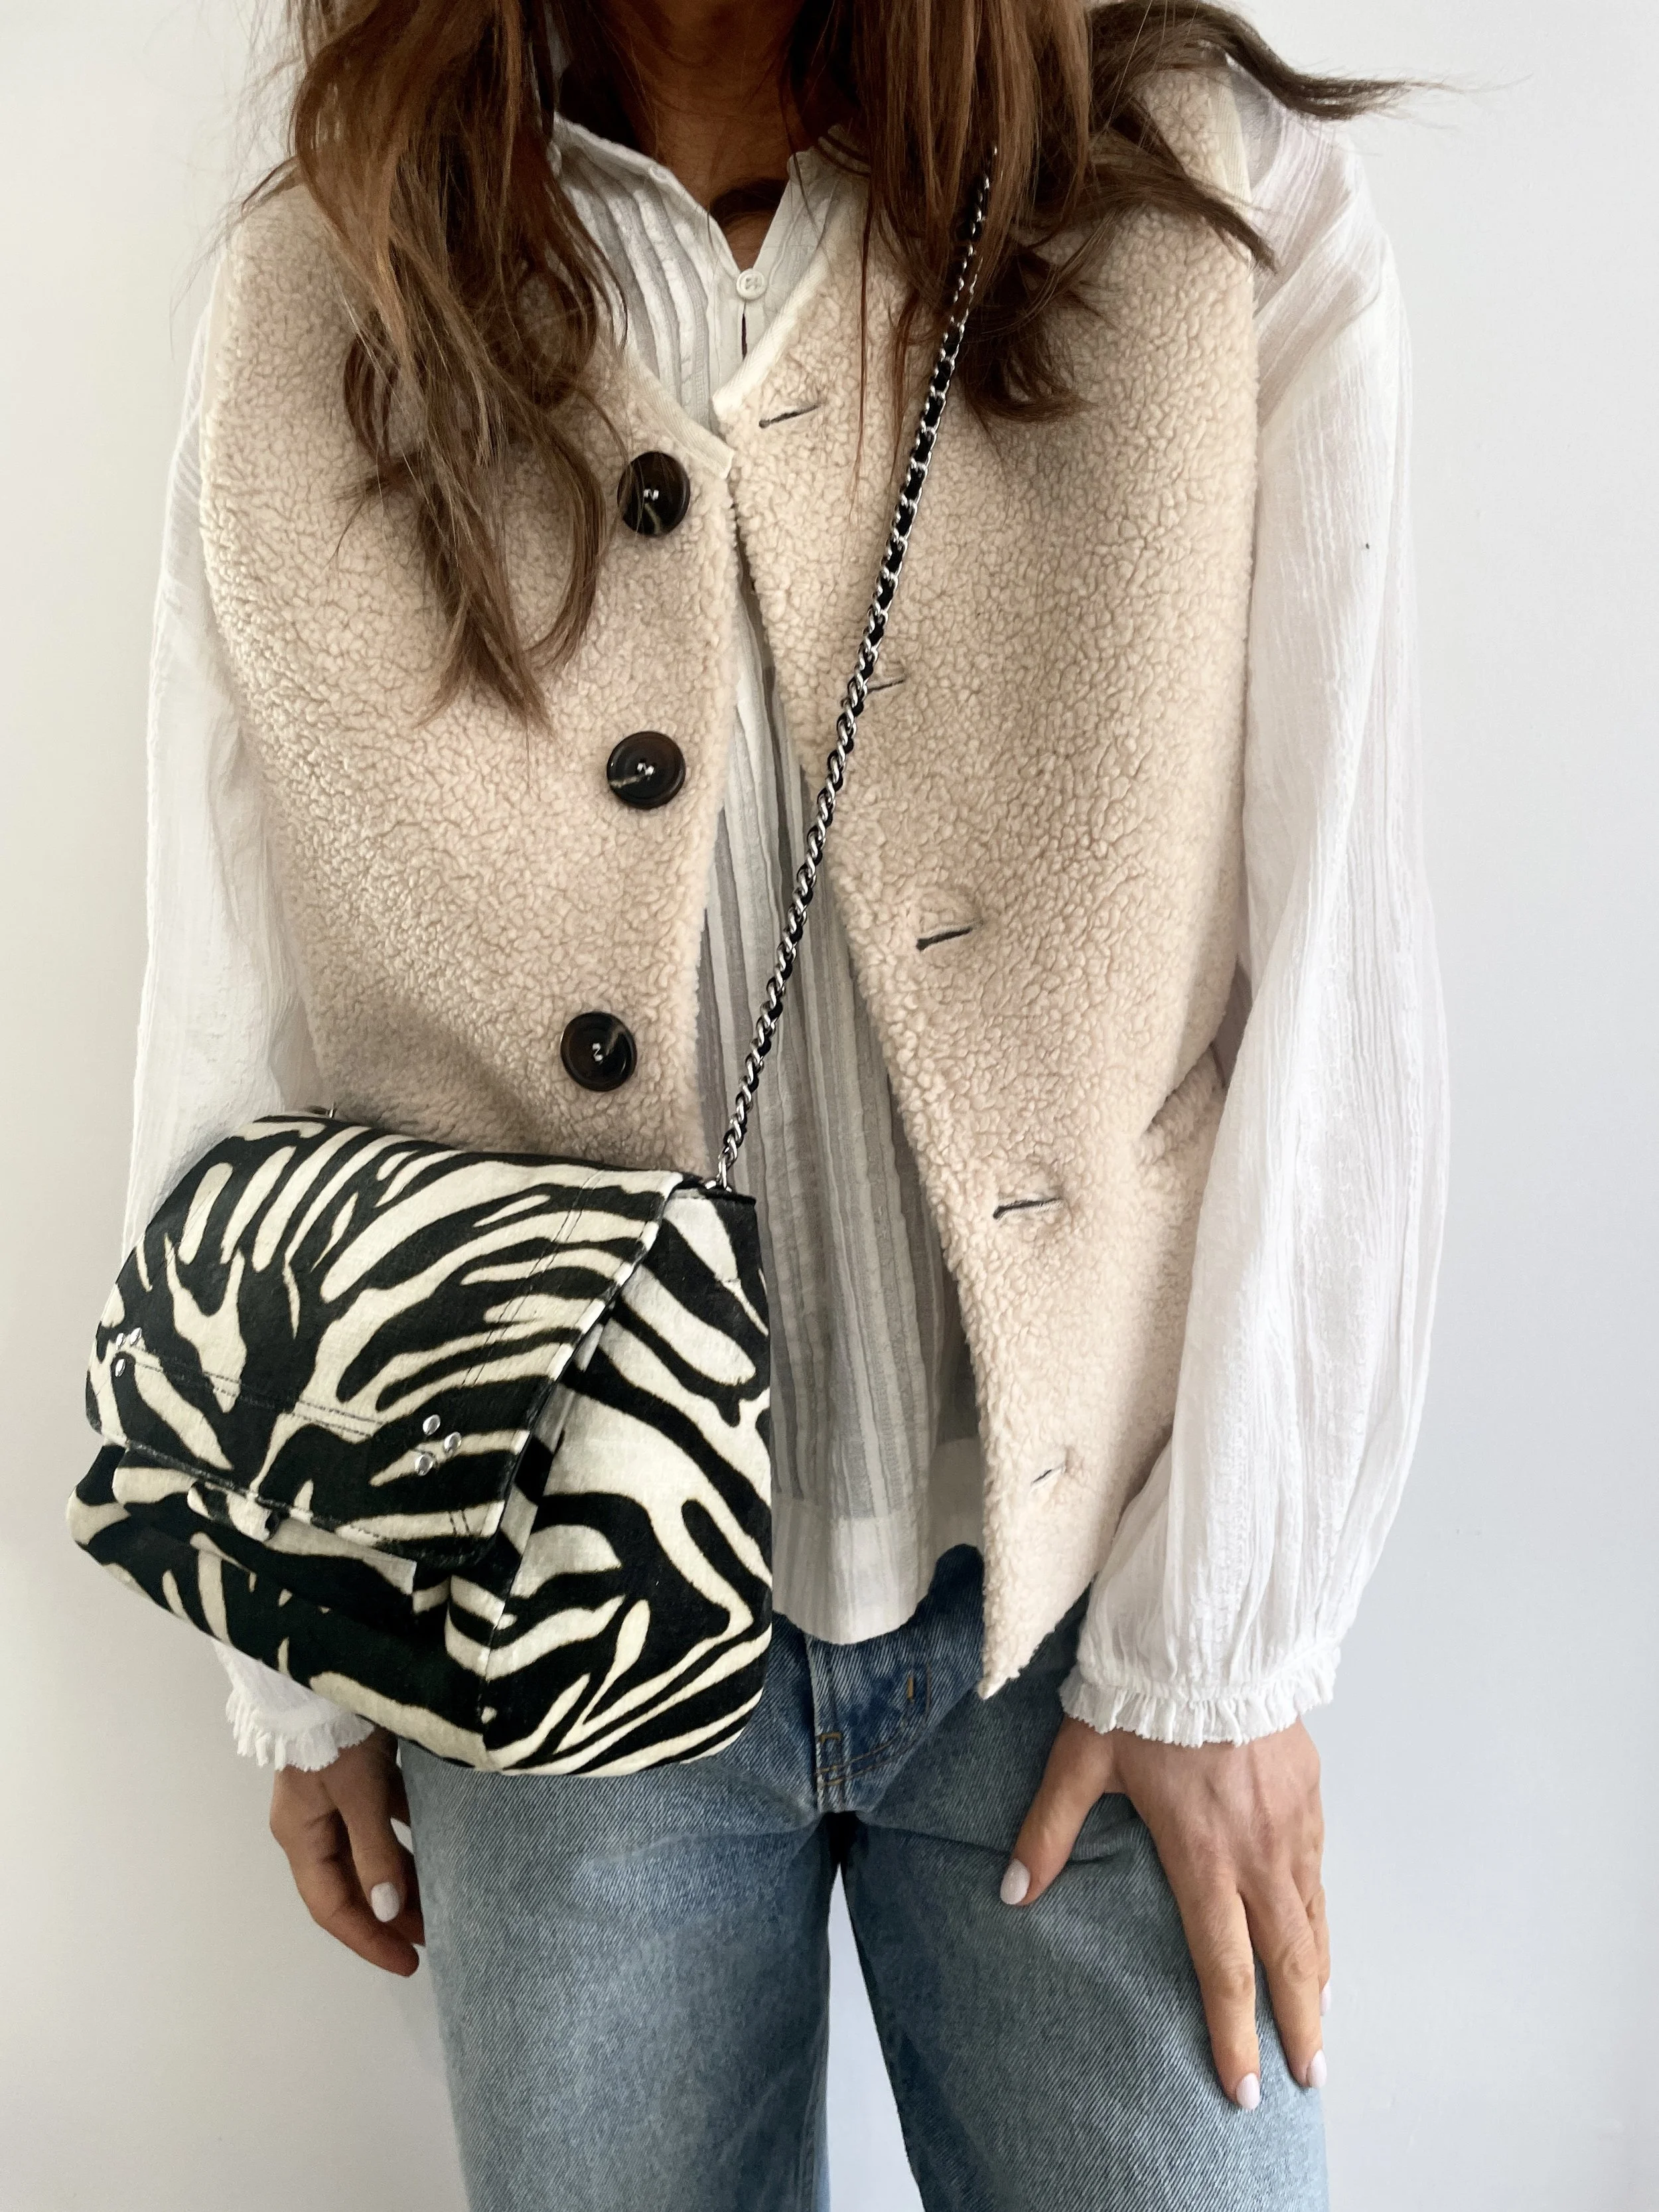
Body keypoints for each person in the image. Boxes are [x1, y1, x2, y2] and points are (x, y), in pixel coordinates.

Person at [123, 1, 1446, 2203]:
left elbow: (1339, 939)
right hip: (533, 1612)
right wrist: (302, 1644)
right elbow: (231, 954)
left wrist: (1224, 1640)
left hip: (1086, 1602)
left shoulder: (1197, 198)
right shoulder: (327, 280)